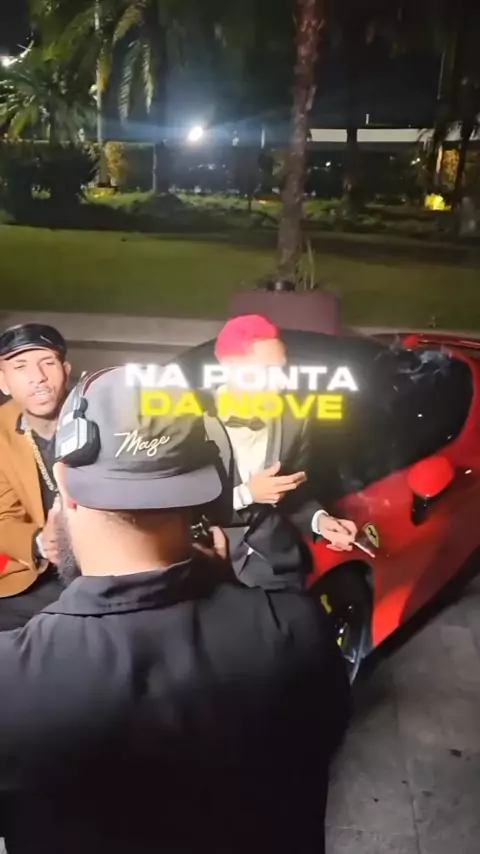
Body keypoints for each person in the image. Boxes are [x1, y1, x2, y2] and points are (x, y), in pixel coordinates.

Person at [0, 367, 350, 854]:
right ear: (210, 483)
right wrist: (226, 587)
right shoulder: (297, 629)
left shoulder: (11, 678)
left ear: (64, 481)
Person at [204, 314, 357, 589]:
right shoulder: (190, 420)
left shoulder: (295, 421)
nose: (280, 384)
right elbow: (173, 507)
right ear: (229, 367)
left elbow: (294, 491)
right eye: (267, 371)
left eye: (281, 371)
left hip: (276, 566)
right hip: (202, 566)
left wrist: (320, 521)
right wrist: (246, 494)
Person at [0, 323, 69, 629]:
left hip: (106, 564)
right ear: (3, 382)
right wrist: (41, 541)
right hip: (39, 574)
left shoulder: (100, 414)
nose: (37, 376)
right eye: (20, 366)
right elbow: (3, 518)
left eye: (48, 362)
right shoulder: (1, 433)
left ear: (66, 370)